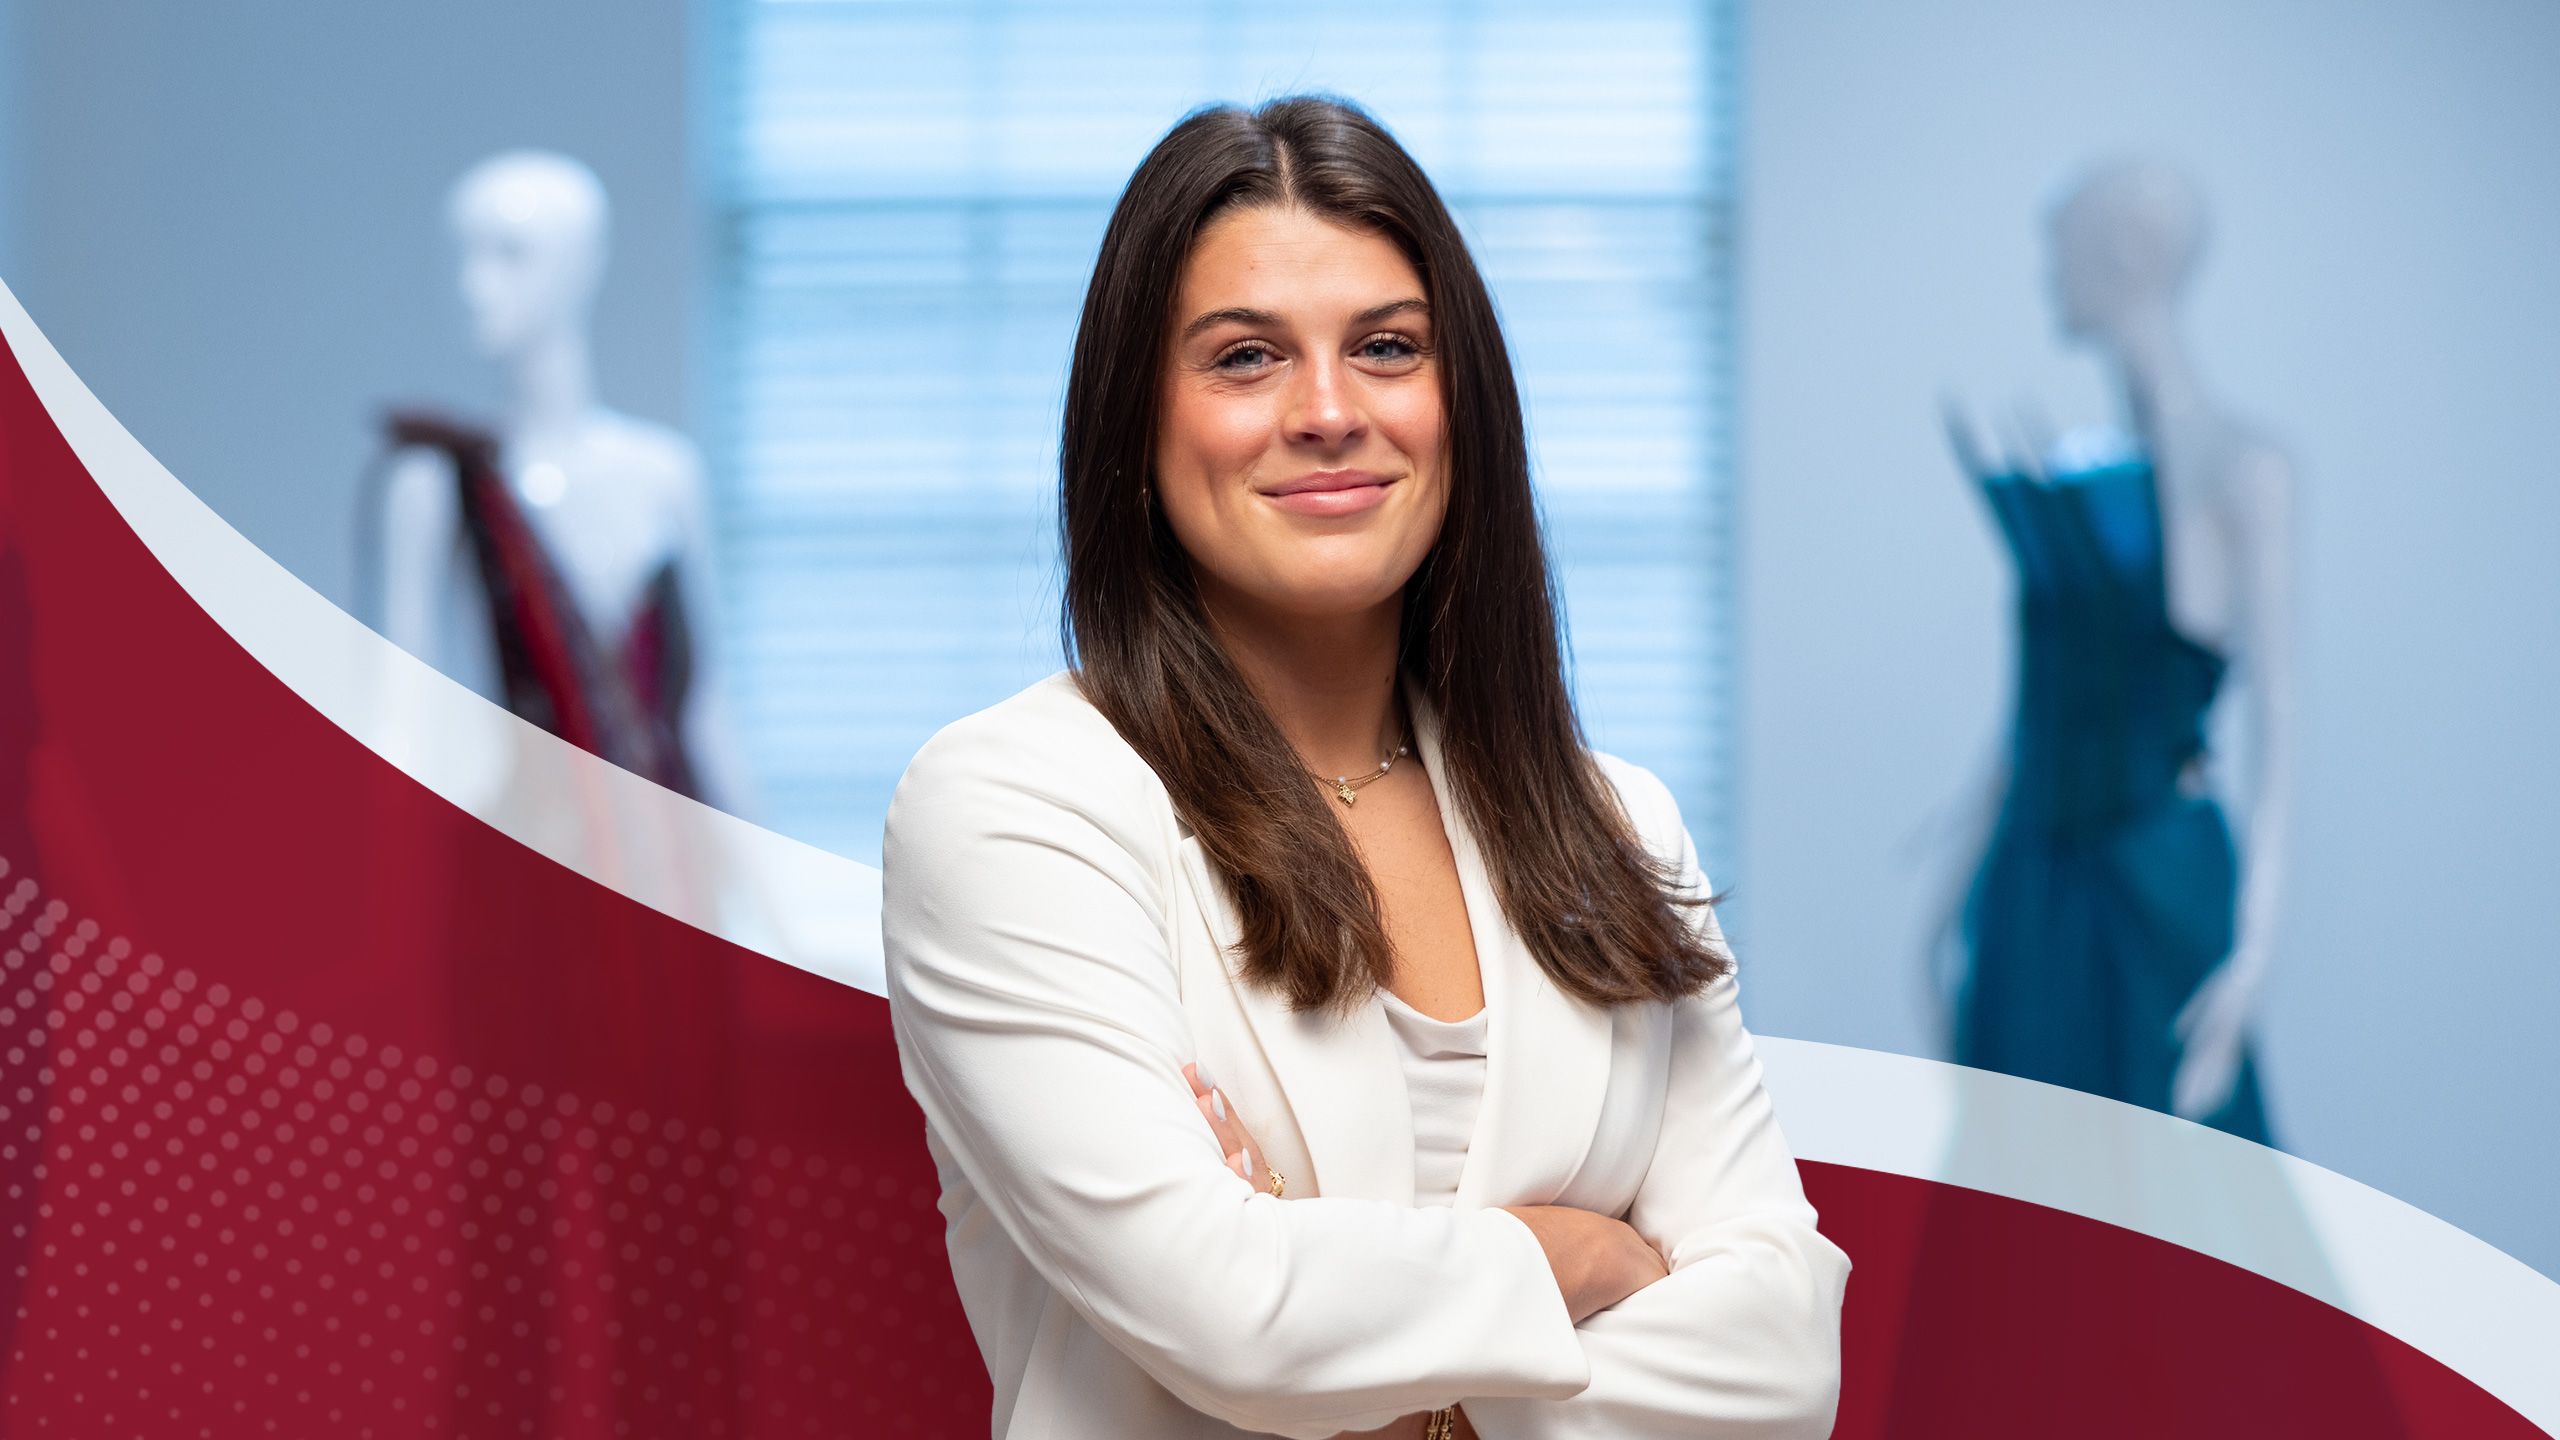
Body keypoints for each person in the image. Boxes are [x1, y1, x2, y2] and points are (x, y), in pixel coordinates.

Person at [880, 94, 1849, 1440]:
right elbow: (1226, 1312)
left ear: (1462, 403)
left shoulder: (1618, 824)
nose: (1329, 411)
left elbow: (1785, 1360)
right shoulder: (1013, 805)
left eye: (1388, 348)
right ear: (1136, 424)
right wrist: (1586, 1261)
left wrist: (1363, 1369)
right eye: (1244, 359)